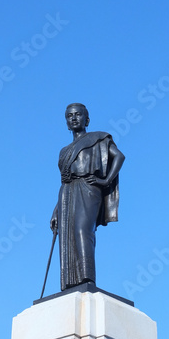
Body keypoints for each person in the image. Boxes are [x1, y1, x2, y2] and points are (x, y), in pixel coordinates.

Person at [50, 103, 125, 291]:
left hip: (89, 187)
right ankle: (71, 282)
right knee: (68, 237)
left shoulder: (98, 138)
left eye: (78, 115)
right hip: (67, 193)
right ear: (66, 121)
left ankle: (87, 278)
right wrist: (56, 211)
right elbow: (64, 183)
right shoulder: (63, 151)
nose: (73, 118)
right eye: (69, 116)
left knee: (83, 230)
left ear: (87, 119)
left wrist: (106, 180)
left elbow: (119, 157)